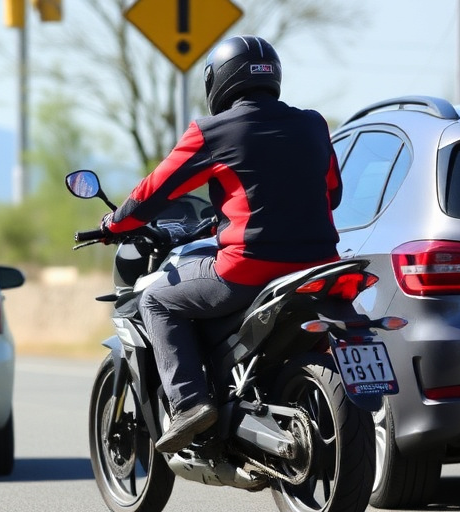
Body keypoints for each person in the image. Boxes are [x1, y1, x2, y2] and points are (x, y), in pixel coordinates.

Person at [100, 35, 344, 453]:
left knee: (157, 299)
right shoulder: (313, 124)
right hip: (320, 265)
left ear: (219, 81)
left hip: (249, 268)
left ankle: (190, 404)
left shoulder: (211, 132)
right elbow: (332, 194)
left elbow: (153, 193)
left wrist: (114, 223)